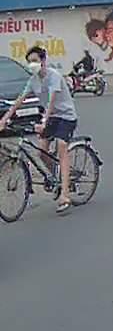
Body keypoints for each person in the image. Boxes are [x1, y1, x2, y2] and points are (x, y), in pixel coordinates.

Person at [0, 46, 79, 214]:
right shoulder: (33, 80)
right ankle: (55, 179)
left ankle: (65, 194)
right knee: (42, 153)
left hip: (65, 116)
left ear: (43, 61)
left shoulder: (54, 76)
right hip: (50, 118)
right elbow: (19, 100)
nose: (32, 64)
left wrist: (43, 121)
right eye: (29, 62)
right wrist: (4, 119)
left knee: (61, 146)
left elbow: (51, 101)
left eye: (35, 61)